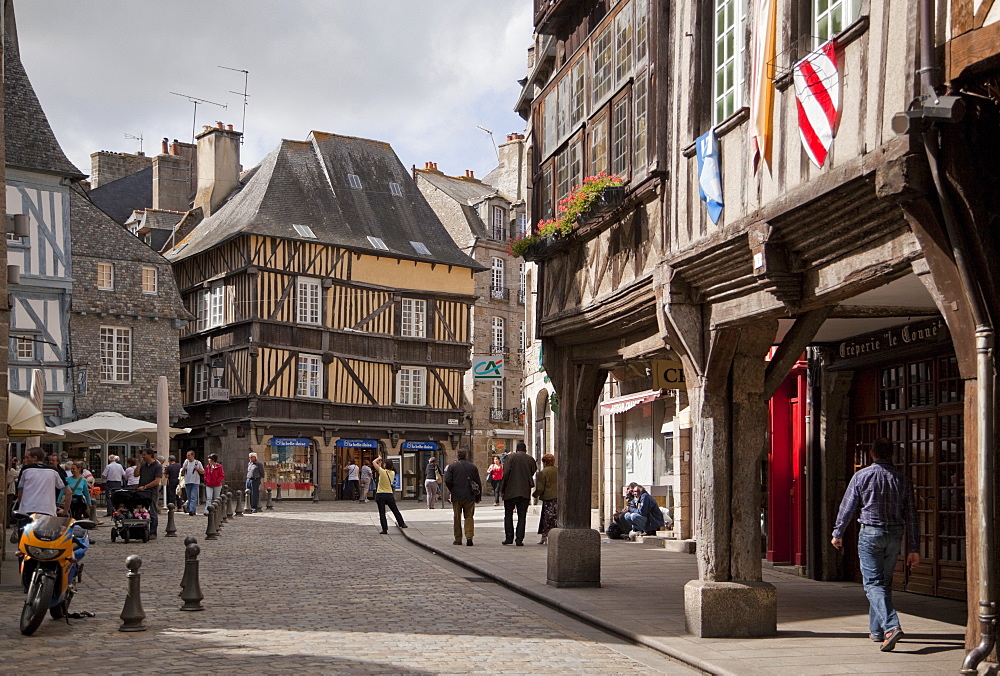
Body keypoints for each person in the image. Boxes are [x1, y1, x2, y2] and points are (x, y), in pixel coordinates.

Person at [832, 437, 920, 652]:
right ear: (892, 454)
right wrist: (914, 547)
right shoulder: (903, 479)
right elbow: (912, 515)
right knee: (884, 583)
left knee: (872, 583)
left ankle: (891, 626)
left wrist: (838, 533)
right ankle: (877, 631)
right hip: (895, 535)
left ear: (872, 454)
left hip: (871, 533)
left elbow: (848, 507)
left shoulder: (861, 476)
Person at [498, 441, 537, 546]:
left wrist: (502, 489)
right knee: (522, 516)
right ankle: (519, 539)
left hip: (510, 491)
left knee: (508, 514)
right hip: (524, 491)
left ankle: (509, 538)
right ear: (526, 450)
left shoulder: (510, 458)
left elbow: (505, 474)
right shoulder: (530, 459)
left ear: (516, 450)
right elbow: (533, 471)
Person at [16, 447, 69, 517]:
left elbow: (20, 491)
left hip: (27, 510)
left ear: (35, 457)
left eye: (27, 457)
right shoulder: (54, 471)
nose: (25, 459)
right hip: (47, 510)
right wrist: (65, 511)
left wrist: (21, 505)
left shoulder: (25, 470)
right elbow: (69, 492)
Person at [444, 448, 481, 546]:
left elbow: (447, 480)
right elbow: (478, 482)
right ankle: (469, 537)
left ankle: (458, 539)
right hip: (469, 496)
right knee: (469, 517)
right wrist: (478, 497)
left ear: (458, 456)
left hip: (457, 496)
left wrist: (452, 489)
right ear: (466, 456)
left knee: (457, 517)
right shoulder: (472, 467)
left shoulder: (452, 466)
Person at [372, 456, 406, 533]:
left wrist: (379, 458)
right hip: (389, 494)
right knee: (395, 510)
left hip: (380, 494)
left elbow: (374, 462)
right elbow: (382, 469)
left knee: (382, 513)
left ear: (385, 465)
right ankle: (402, 523)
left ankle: (385, 529)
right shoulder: (392, 473)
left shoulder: (382, 472)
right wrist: (381, 464)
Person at [136, 449, 163, 538]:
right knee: (140, 510)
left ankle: (153, 532)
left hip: (152, 492)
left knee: (152, 511)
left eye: (144, 455)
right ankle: (140, 530)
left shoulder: (157, 466)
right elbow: (136, 474)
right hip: (141, 491)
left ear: (150, 455)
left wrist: (145, 487)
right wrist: (139, 464)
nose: (142, 456)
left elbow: (157, 480)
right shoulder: (143, 465)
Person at [533, 453, 558, 545]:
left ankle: (545, 536)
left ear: (545, 462)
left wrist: (535, 495)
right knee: (556, 517)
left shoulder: (543, 472)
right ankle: (555, 535)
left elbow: (540, 488)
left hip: (548, 498)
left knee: (547, 518)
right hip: (558, 498)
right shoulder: (558, 470)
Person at [181, 451, 205, 516]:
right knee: (189, 497)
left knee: (193, 497)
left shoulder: (198, 463)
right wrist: (184, 469)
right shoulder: (186, 463)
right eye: (187, 455)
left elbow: (203, 472)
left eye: (189, 455)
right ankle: (192, 510)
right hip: (187, 481)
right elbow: (182, 473)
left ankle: (191, 510)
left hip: (195, 482)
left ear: (193, 456)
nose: (187, 457)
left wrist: (197, 469)